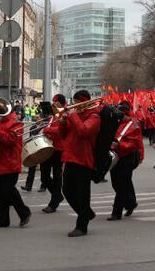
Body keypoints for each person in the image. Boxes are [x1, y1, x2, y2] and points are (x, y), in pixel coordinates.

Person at [59, 90, 101, 237]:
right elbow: (63, 135)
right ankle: (87, 213)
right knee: (66, 190)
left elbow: (84, 131)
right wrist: (63, 122)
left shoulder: (94, 116)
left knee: (83, 194)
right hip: (70, 156)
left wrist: (72, 115)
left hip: (84, 158)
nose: (73, 105)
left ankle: (82, 226)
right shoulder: (74, 115)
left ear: (84, 102)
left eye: (77, 102)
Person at [0, 99, 30, 228]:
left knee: (8, 191)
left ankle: (24, 212)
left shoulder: (16, 123)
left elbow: (11, 140)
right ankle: (2, 219)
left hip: (10, 163)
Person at [107, 101, 142, 221]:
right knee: (117, 183)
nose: (119, 117)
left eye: (121, 115)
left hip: (127, 158)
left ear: (127, 114)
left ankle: (116, 212)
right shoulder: (116, 123)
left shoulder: (133, 126)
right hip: (116, 157)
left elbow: (134, 144)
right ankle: (131, 203)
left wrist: (119, 145)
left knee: (122, 185)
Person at [41, 94, 67, 213]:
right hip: (49, 147)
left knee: (57, 177)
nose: (53, 104)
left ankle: (53, 203)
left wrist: (47, 130)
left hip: (59, 149)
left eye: (55, 102)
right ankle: (57, 196)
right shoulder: (53, 115)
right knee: (44, 176)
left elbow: (60, 131)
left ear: (61, 103)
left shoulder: (65, 114)